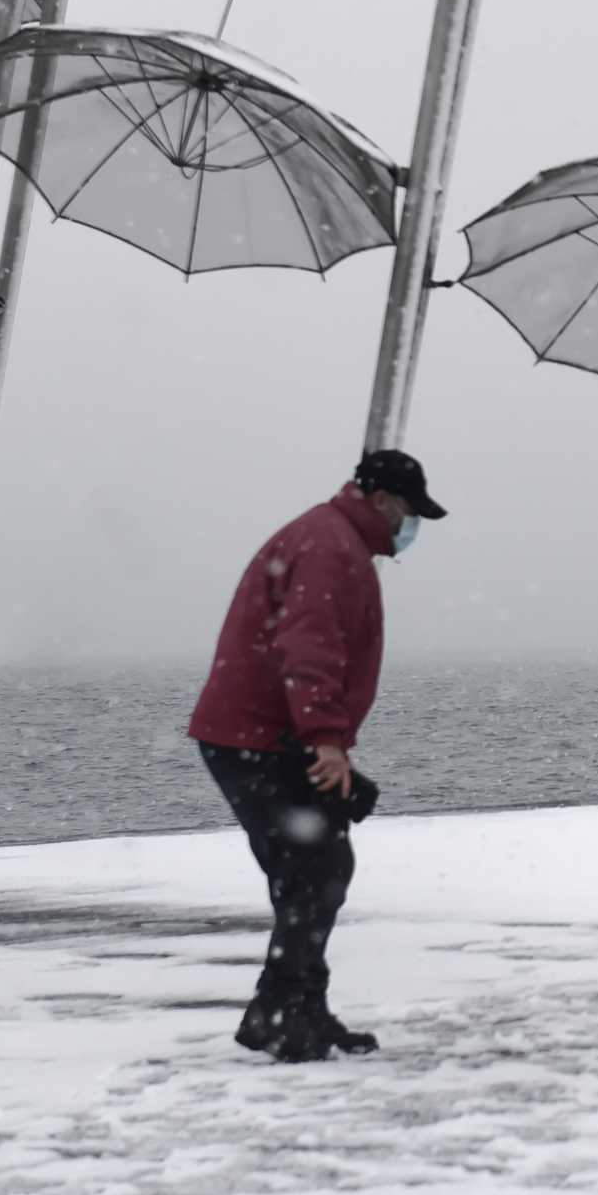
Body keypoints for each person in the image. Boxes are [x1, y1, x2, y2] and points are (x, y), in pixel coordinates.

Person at [188, 448, 445, 1062]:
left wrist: (326, 743)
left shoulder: (332, 539)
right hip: (258, 737)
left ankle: (300, 1007)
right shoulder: (330, 548)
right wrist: (327, 741)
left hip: (261, 735)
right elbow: (308, 648)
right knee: (313, 871)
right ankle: (279, 1014)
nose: (409, 530)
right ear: (383, 501)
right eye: (409, 513)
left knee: (315, 870)